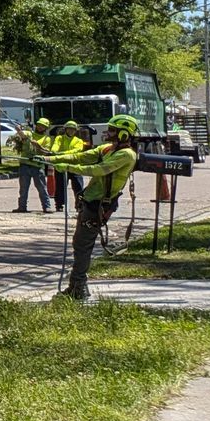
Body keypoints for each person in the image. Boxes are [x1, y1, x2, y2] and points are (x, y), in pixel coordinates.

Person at [46, 114, 141, 300]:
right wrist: (50, 158)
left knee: (83, 245)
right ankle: (77, 286)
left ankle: (78, 288)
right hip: (90, 203)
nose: (108, 132)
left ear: (124, 134)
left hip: (98, 206)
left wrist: (66, 167)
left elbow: (98, 170)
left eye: (112, 130)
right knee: (80, 244)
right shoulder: (108, 148)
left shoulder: (126, 155)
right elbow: (82, 156)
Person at [8, 118, 51, 213]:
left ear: (46, 128)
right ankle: (22, 207)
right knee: (23, 188)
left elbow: (46, 152)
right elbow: (23, 135)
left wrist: (38, 146)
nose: (40, 127)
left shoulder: (47, 139)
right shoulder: (29, 134)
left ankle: (47, 207)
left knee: (41, 188)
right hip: (25, 165)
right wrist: (19, 130)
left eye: (43, 126)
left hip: (38, 166)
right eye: (39, 125)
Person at [49, 120, 88, 213]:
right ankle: (59, 205)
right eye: (69, 129)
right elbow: (54, 148)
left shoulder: (79, 141)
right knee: (60, 187)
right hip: (61, 166)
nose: (71, 131)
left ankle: (79, 205)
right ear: (65, 129)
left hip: (75, 166)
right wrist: (55, 152)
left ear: (76, 131)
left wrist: (61, 154)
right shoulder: (59, 138)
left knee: (78, 187)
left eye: (73, 129)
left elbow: (76, 151)